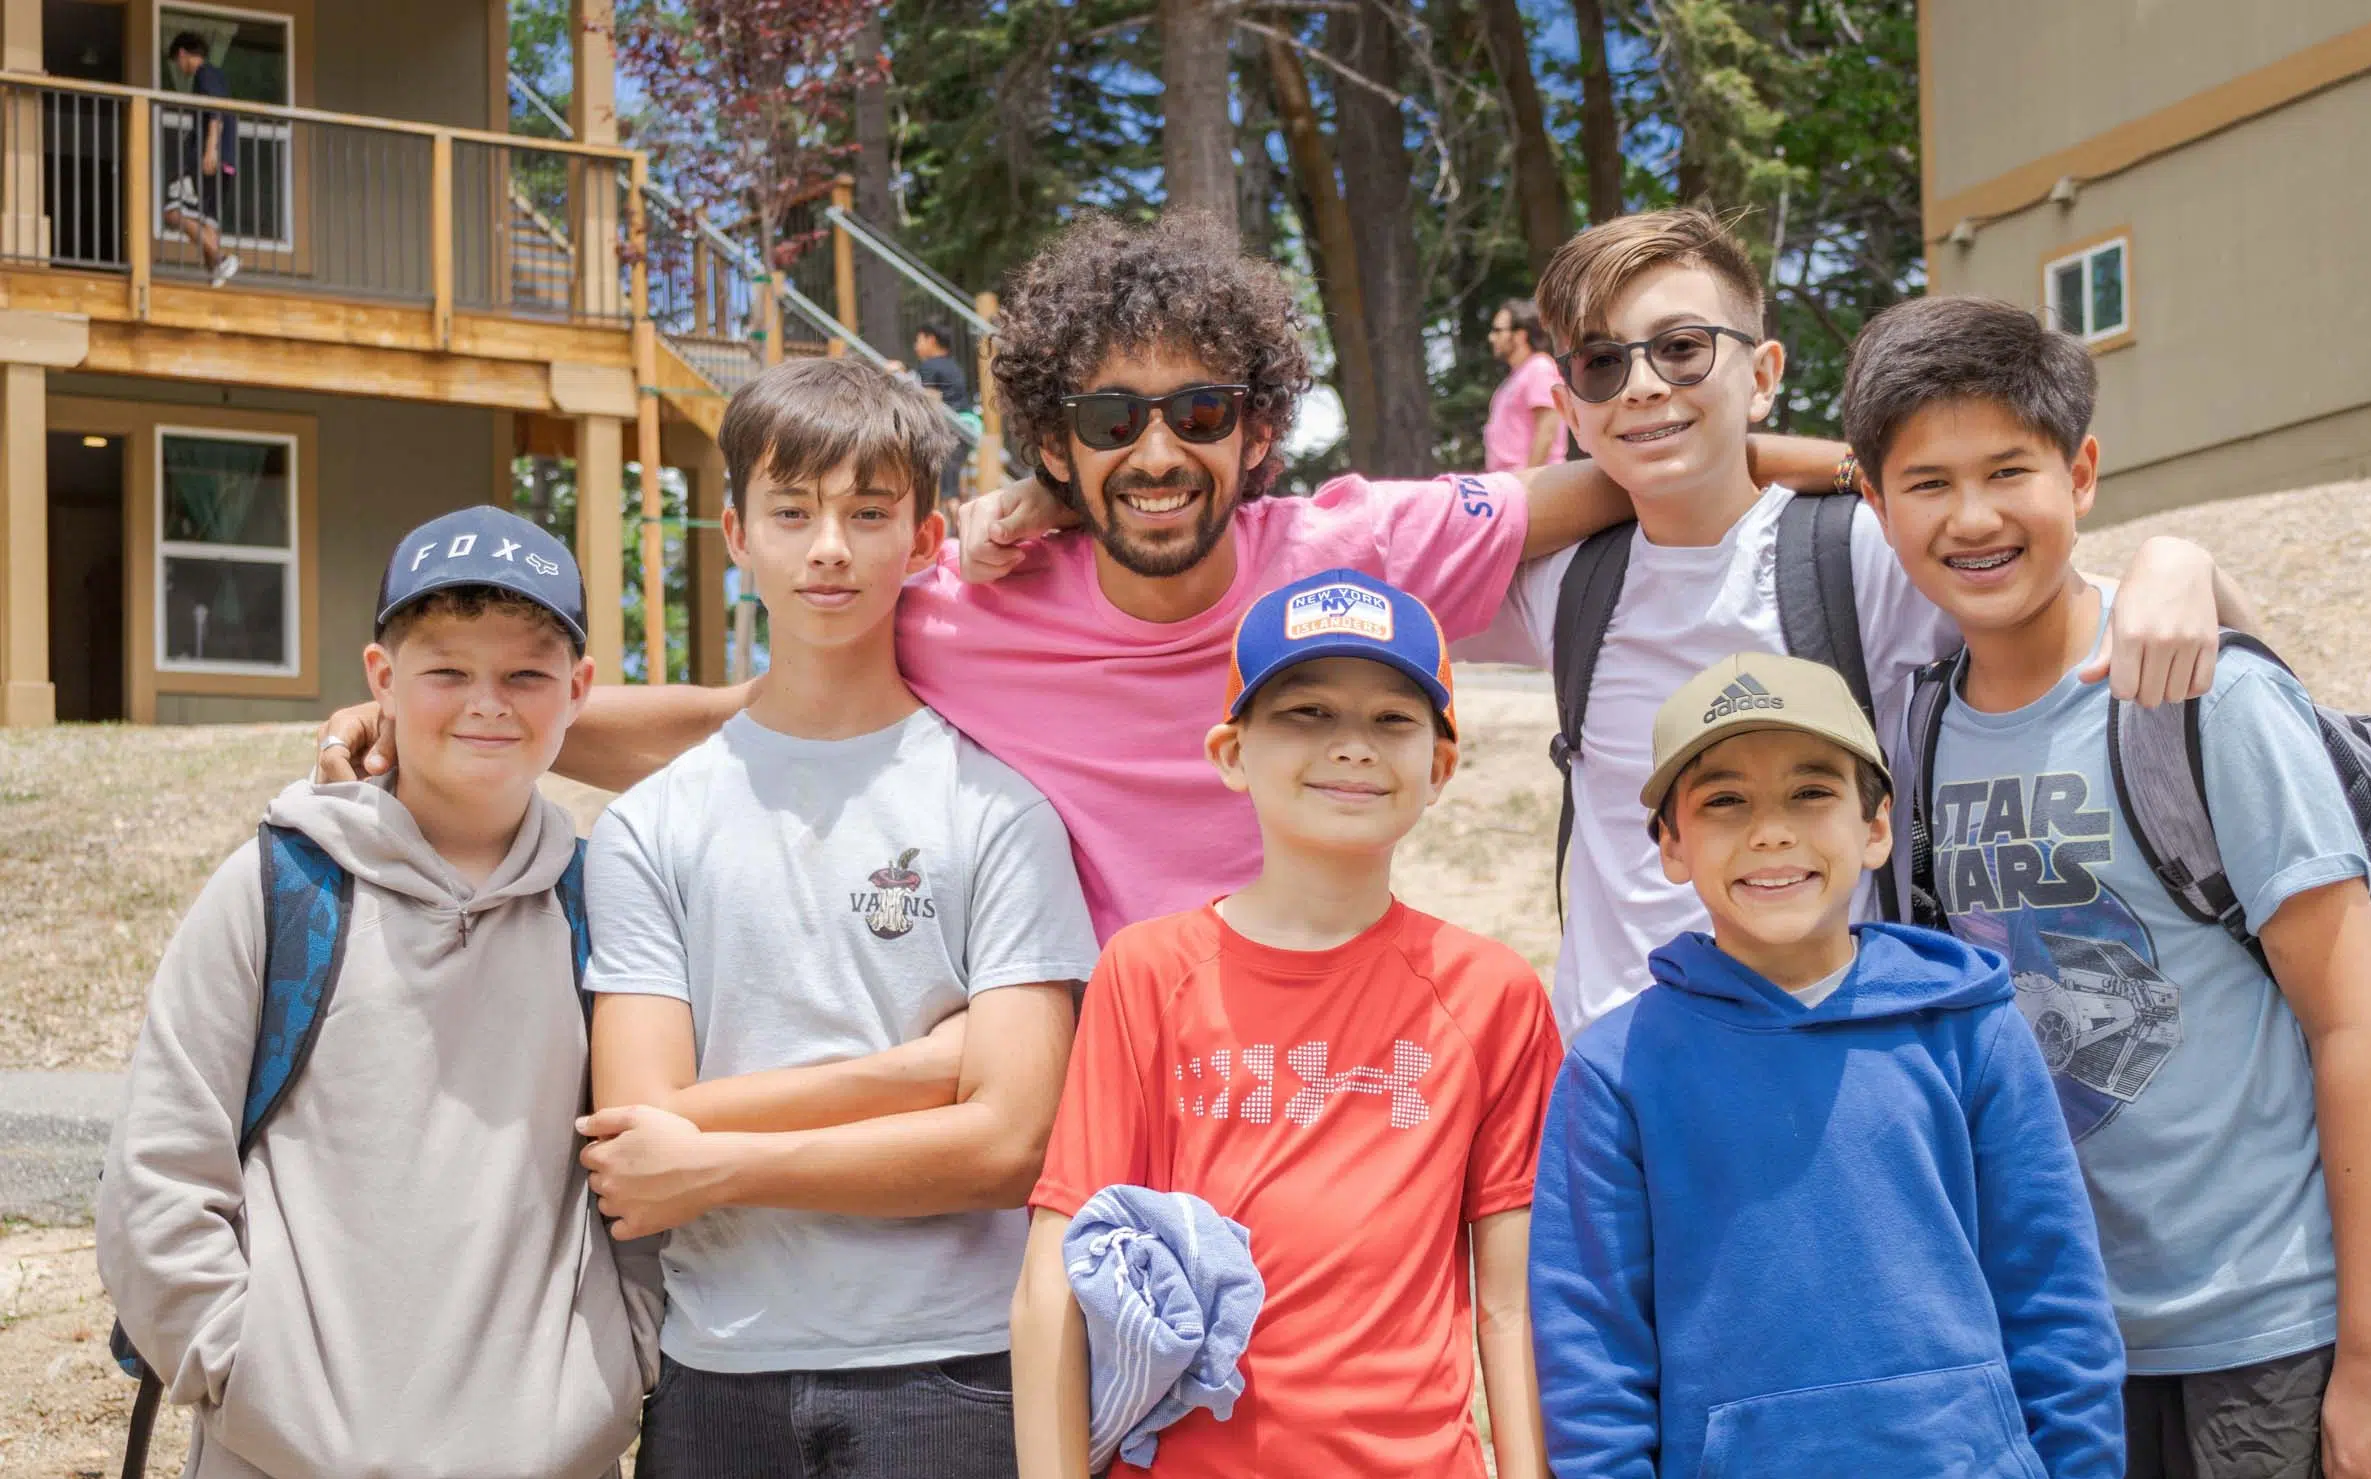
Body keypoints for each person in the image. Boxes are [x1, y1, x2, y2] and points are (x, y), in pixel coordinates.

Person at [313, 212, 1840, 943]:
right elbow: (745, 723)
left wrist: (1860, 468)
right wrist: (482, 727)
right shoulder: (963, 610)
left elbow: (1655, 458)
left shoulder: (1352, 554)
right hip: (1092, 1096)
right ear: (1054, 437)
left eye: (1200, 411)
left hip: (1321, 1079)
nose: (1160, 450)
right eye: (1112, 419)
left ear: (1258, 425)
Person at [1842, 294, 2371, 1479]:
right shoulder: (1918, 729)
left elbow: (2354, 1024)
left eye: (2010, 470)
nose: (1973, 515)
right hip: (2068, 1355)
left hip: (2275, 1339)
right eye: (1927, 482)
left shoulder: (2199, 699)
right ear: (1874, 504)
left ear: (2086, 476)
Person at [575, 355, 1098, 1479]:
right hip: (715, 1388)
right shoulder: (650, 826)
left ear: (928, 539)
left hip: (955, 1382)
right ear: (732, 529)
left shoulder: (998, 812)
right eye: (792, 507)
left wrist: (727, 1155)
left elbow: (1008, 1139)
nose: (829, 547)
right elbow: (638, 1139)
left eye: (871, 511)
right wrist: (925, 1068)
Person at [95, 508, 649, 1479]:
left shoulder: (606, 916)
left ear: (580, 689)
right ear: (382, 681)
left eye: (526, 672)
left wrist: (616, 1368)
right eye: (446, 670)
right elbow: (159, 1171)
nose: (486, 703)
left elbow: (654, 1173)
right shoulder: (275, 889)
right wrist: (244, 1372)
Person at [1460, 208, 2248, 1040]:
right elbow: (1363, 572)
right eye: (1601, 364)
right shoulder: (1567, 584)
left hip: (1839, 1081)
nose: (1644, 385)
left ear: (1763, 375)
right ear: (1568, 408)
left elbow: (2113, 612)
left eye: (1683, 349)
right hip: (1624, 1103)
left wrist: (2182, 560)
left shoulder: (1859, 554)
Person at [1532, 651, 2137, 1479]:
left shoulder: (1969, 1034)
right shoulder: (1615, 1073)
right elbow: (1593, 1367)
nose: (1769, 832)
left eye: (1810, 794)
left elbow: (2057, 1309)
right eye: (1724, 803)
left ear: (1874, 826)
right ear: (1669, 846)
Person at [1013, 569, 1563, 1479]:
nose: (1350, 746)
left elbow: (1511, 1312)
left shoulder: (1494, 996)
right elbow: (1050, 1288)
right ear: (1231, 752)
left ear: (1440, 765)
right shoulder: (1147, 977)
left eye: (1390, 719)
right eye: (1305, 713)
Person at [163, 31, 239, 287]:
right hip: (225, 162)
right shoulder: (216, 76)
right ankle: (215, 273)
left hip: (210, 161)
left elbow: (215, 110)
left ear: (183, 54)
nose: (179, 67)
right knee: (208, 224)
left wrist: (210, 150)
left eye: (177, 61)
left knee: (173, 212)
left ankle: (221, 259)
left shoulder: (205, 74)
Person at [1484, 297, 1568, 471]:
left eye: (1498, 331)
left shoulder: (1539, 368)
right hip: (1513, 486)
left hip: (1536, 488)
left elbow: (1547, 430)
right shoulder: (1513, 379)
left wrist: (1527, 485)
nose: (1491, 337)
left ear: (1520, 335)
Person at [913, 323, 974, 510]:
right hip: (967, 425)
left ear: (931, 340)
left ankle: (958, 532)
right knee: (954, 480)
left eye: (918, 340)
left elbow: (932, 402)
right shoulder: (953, 365)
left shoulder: (929, 366)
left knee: (948, 490)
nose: (915, 345)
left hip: (950, 429)